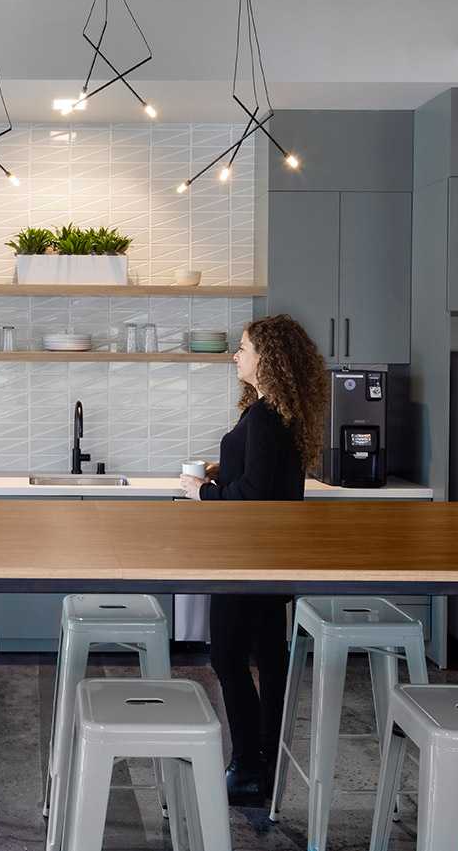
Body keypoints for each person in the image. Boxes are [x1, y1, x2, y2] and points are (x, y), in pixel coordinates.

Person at [177, 313, 327, 807]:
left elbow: (254, 495)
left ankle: (245, 767)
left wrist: (205, 492)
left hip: (244, 557)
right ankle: (267, 762)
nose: (236, 355)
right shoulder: (275, 412)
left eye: (243, 348)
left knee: (226, 657)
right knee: (269, 656)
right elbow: (262, 478)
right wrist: (227, 469)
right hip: (274, 556)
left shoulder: (263, 415)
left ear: (267, 358)